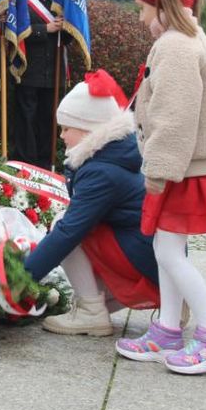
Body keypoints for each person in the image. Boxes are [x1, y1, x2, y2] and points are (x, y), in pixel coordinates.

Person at [114, 0, 206, 375]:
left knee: (169, 253)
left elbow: (174, 116)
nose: (141, 15)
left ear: (161, 3)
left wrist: (158, 169)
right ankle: (167, 328)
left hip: (180, 167)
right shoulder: (186, 38)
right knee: (167, 251)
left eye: (142, 7)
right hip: (185, 165)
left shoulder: (176, 46)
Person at [24, 70, 159, 336]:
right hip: (147, 252)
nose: (61, 136)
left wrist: (22, 277)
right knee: (75, 228)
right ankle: (169, 300)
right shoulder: (112, 155)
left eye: (66, 129)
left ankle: (91, 313)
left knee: (67, 227)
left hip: (144, 258)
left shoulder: (102, 171)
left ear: (89, 129)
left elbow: (69, 232)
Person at [12, 0, 65, 167]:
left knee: (48, 122)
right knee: (27, 121)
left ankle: (46, 164)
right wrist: (45, 29)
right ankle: (27, 164)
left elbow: (67, 39)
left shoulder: (56, 3)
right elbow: (15, 31)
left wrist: (67, 27)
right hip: (28, 72)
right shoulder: (21, 2)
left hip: (52, 73)